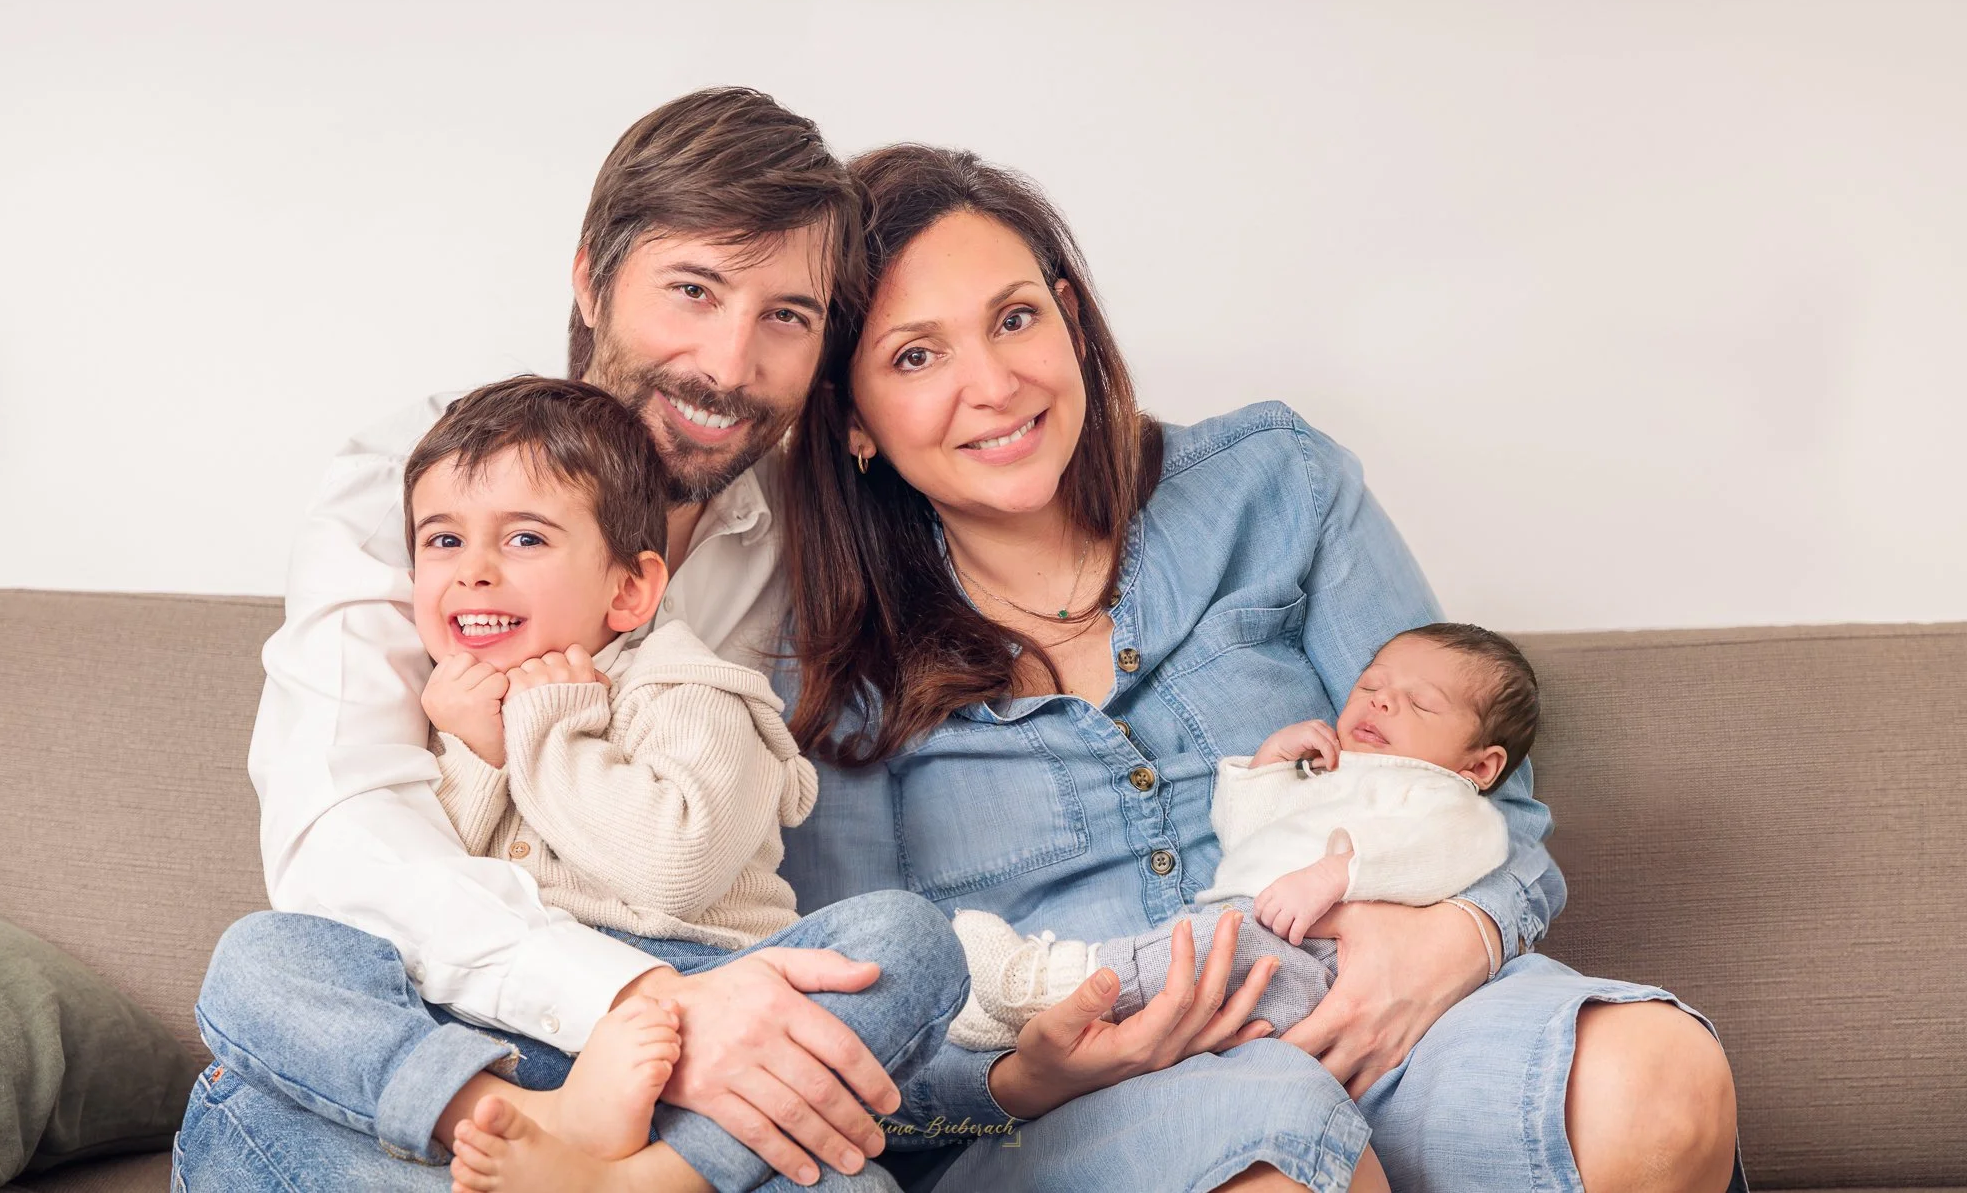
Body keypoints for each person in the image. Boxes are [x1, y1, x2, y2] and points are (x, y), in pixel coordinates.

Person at [776, 144, 1744, 1193]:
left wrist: (1455, 938)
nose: (995, 385)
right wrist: (1019, 1080)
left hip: (1374, 1015)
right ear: (852, 417)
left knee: (1659, 1083)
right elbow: (855, 1033)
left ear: (1069, 319)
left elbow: (1488, 799)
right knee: (1277, 1165)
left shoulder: (1277, 485)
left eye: (1014, 319)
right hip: (1088, 1114)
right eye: (916, 356)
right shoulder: (823, 654)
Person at [177, 90, 970, 1193]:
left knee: (891, 991)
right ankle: (549, 1143)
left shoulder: (817, 528)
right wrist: (634, 1003)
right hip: (483, 1033)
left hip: (698, 1018)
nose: (727, 365)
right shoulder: (418, 483)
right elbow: (338, 839)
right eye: (692, 290)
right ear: (592, 279)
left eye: (785, 316)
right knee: (265, 988)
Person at [945, 623, 1529, 1051]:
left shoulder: (1440, 795)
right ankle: (1029, 1018)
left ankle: (1045, 986)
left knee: (1204, 950)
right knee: (1192, 950)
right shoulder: (1332, 773)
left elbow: (1447, 847)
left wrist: (1335, 875)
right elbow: (1246, 843)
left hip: (1332, 963)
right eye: (1370, 685)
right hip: (1268, 932)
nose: (1380, 700)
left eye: (1420, 704)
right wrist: (1269, 768)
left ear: (1480, 766)